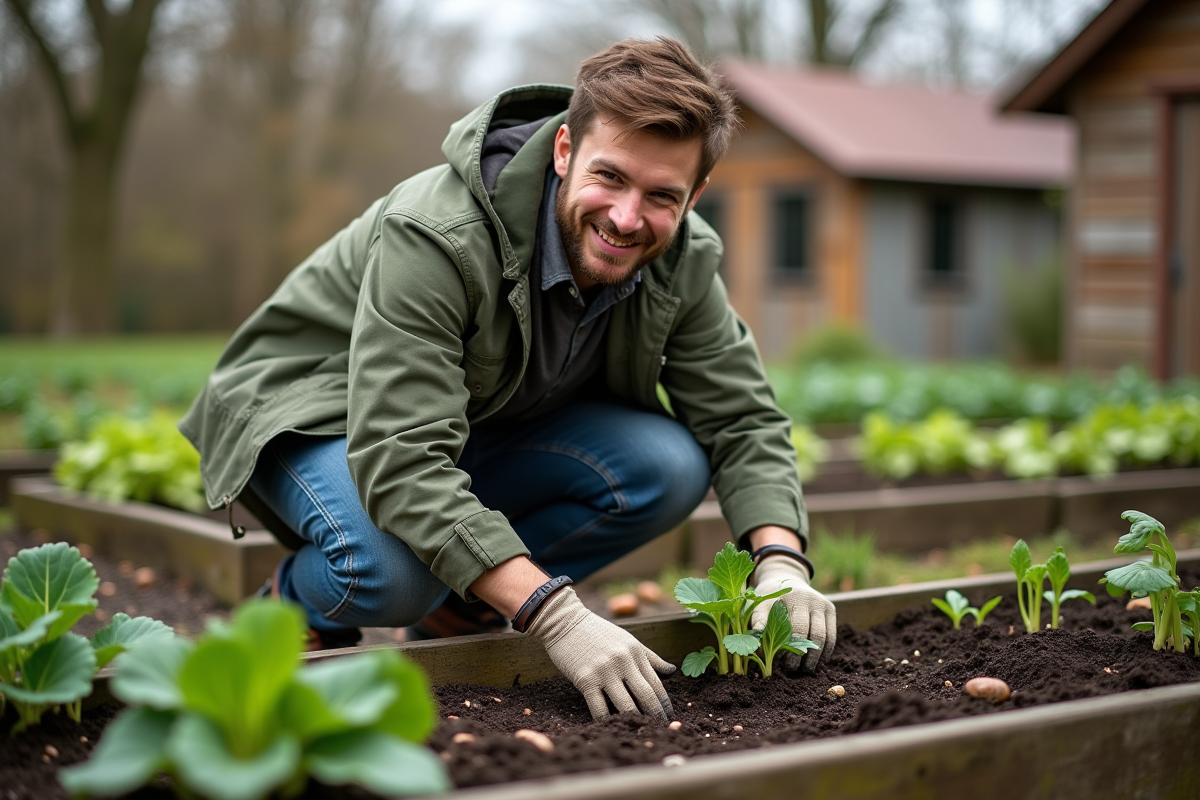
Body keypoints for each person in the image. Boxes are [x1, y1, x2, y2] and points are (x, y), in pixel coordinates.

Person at [180, 37, 836, 722]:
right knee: (389, 571)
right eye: (609, 176)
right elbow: (401, 460)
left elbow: (743, 418)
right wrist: (553, 614)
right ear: (563, 151)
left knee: (665, 464)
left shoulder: (682, 259)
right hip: (305, 407)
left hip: (468, 419)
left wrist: (780, 563)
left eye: (661, 195)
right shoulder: (436, 233)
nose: (626, 217)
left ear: (696, 194)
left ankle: (458, 613)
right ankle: (291, 608)